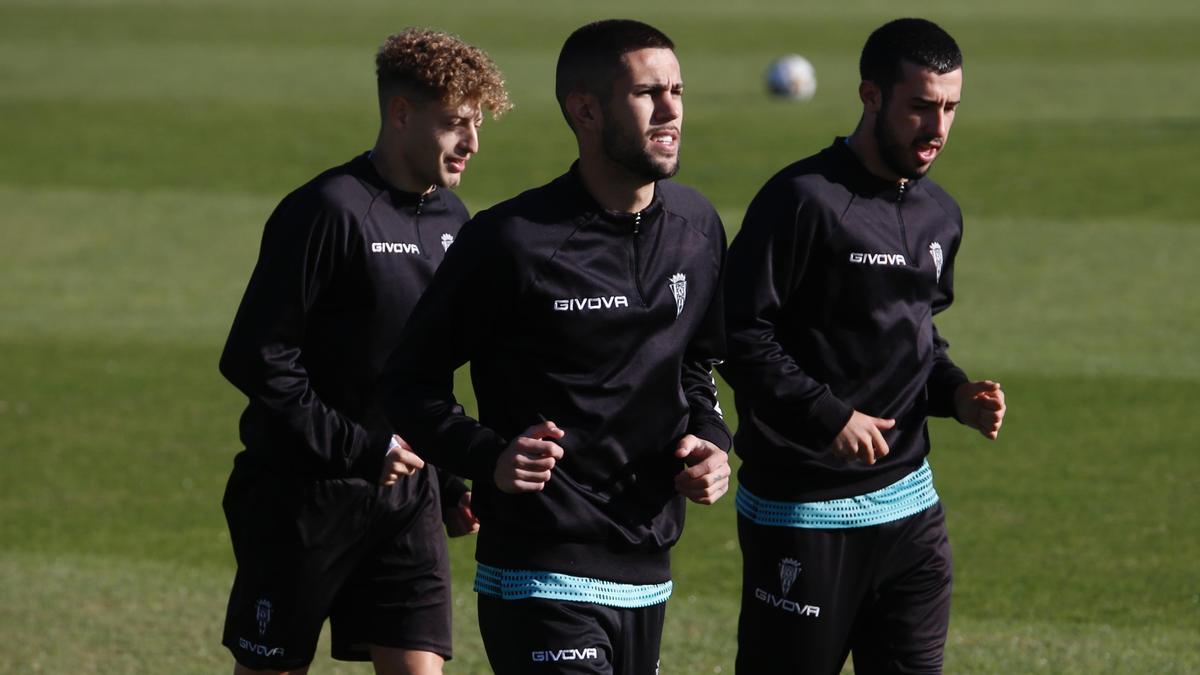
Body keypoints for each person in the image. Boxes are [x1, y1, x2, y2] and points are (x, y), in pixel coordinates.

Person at [380, 19, 732, 675]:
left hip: (647, 570)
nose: (671, 109)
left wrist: (713, 440)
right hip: (542, 573)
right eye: (648, 93)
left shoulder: (697, 227)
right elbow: (407, 382)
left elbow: (696, 365)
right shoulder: (513, 241)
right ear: (587, 110)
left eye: (677, 90)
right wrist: (490, 457)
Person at [217, 28, 509, 675]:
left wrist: (455, 473)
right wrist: (360, 448)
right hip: (302, 496)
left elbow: (432, 366)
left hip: (409, 499)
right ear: (402, 114)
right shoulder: (328, 210)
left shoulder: (453, 221)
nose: (472, 144)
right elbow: (256, 356)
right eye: (455, 124)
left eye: (477, 125)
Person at [719, 18, 1007, 674]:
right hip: (803, 517)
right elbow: (739, 336)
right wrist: (827, 415)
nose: (937, 129)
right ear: (870, 96)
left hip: (911, 514)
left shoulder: (940, 214)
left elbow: (913, 337)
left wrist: (956, 393)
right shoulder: (801, 201)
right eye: (920, 107)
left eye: (950, 109)